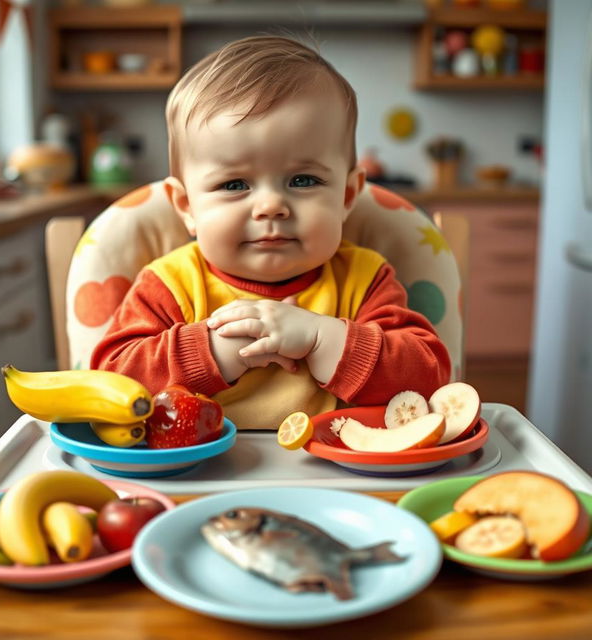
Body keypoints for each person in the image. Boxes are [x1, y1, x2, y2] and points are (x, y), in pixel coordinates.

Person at [90, 35, 451, 429]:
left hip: (341, 478)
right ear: (187, 207)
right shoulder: (169, 285)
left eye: (302, 179)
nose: (270, 206)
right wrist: (212, 350)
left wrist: (322, 339)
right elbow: (108, 385)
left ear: (347, 195)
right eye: (234, 185)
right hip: (193, 480)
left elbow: (429, 379)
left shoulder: (363, 280)